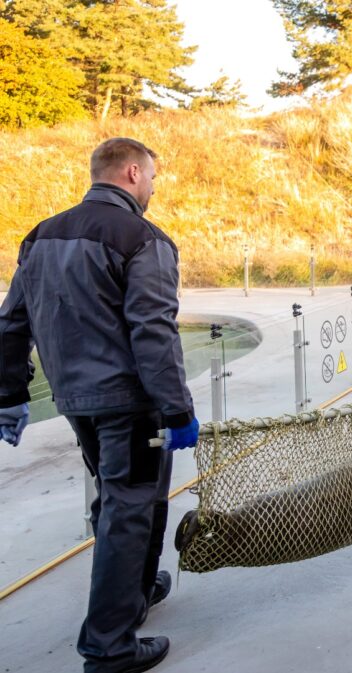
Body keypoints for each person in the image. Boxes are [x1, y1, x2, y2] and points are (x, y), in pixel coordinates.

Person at [0, 138, 199, 673]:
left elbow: (12, 322)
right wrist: (178, 410)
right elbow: (153, 332)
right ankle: (110, 646)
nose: (154, 187)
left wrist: (11, 393)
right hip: (131, 404)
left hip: (75, 400)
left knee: (115, 498)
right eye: (152, 178)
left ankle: (134, 589)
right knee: (131, 508)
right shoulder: (142, 237)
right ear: (133, 172)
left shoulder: (42, 234)